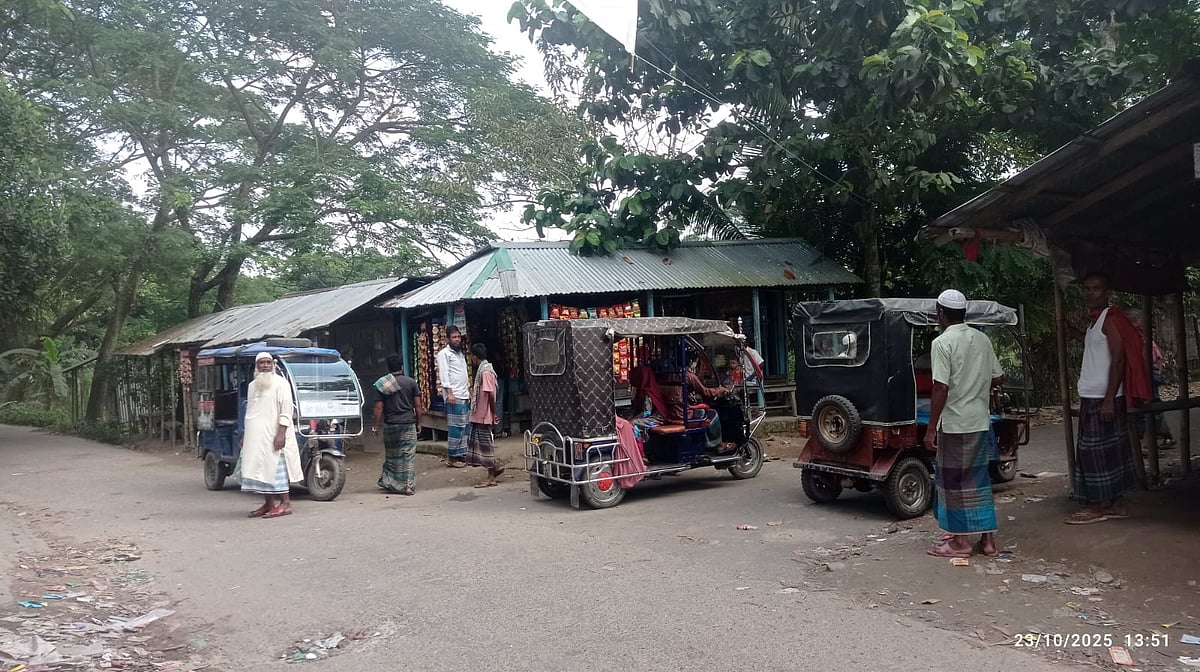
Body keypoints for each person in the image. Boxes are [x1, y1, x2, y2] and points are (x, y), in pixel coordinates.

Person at [923, 289, 1004, 558]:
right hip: (980, 422)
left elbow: (940, 388)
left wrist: (931, 428)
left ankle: (960, 543)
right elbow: (998, 377)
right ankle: (989, 541)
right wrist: (975, 382)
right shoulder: (981, 339)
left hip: (956, 424)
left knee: (954, 483)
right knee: (979, 481)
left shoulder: (942, 343)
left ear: (941, 313)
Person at [1067, 272, 1151, 524]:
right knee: (1109, 452)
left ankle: (1095, 506)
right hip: (1095, 394)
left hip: (1103, 397)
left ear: (1107, 293)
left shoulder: (1110, 319)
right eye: (1087, 288)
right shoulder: (1095, 322)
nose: (1090, 293)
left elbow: (1119, 359)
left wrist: (1108, 398)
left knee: (1092, 453)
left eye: (1096, 288)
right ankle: (1116, 503)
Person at [241, 351, 303, 519]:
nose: (265, 365)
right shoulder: (252, 386)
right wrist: (245, 435)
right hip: (256, 437)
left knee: (277, 468)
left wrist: (281, 433)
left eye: (268, 362)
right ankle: (268, 503)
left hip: (275, 435)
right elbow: (250, 412)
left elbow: (287, 410)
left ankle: (285, 503)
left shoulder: (281, 383)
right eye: (262, 362)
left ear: (273, 365)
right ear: (256, 366)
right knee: (261, 470)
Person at [371, 354, 423, 496]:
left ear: (389, 368)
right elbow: (418, 406)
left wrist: (375, 426)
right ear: (401, 367)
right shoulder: (411, 382)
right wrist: (419, 422)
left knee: (393, 455)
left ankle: (391, 483)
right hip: (408, 423)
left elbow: (378, 408)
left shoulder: (383, 384)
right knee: (408, 455)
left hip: (391, 425)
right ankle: (407, 486)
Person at [1127, 310, 1174, 449]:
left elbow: (1152, 359)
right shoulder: (1138, 337)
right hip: (1146, 374)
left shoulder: (1143, 338)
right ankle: (1160, 437)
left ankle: (1149, 440)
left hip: (1148, 374)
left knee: (1150, 404)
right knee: (1149, 404)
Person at [465, 343, 505, 487]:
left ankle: (491, 475)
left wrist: (493, 413)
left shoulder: (486, 372)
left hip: (484, 414)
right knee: (482, 444)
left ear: (475, 357)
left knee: (486, 445)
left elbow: (490, 394)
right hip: (480, 414)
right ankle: (494, 468)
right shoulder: (483, 370)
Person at [436, 325, 470, 468]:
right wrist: (449, 393)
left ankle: (462, 454)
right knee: (455, 427)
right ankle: (452, 457)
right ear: (448, 339)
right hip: (453, 395)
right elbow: (444, 375)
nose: (457, 340)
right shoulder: (444, 354)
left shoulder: (460, 354)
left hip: (463, 394)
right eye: (454, 337)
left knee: (465, 427)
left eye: (458, 337)